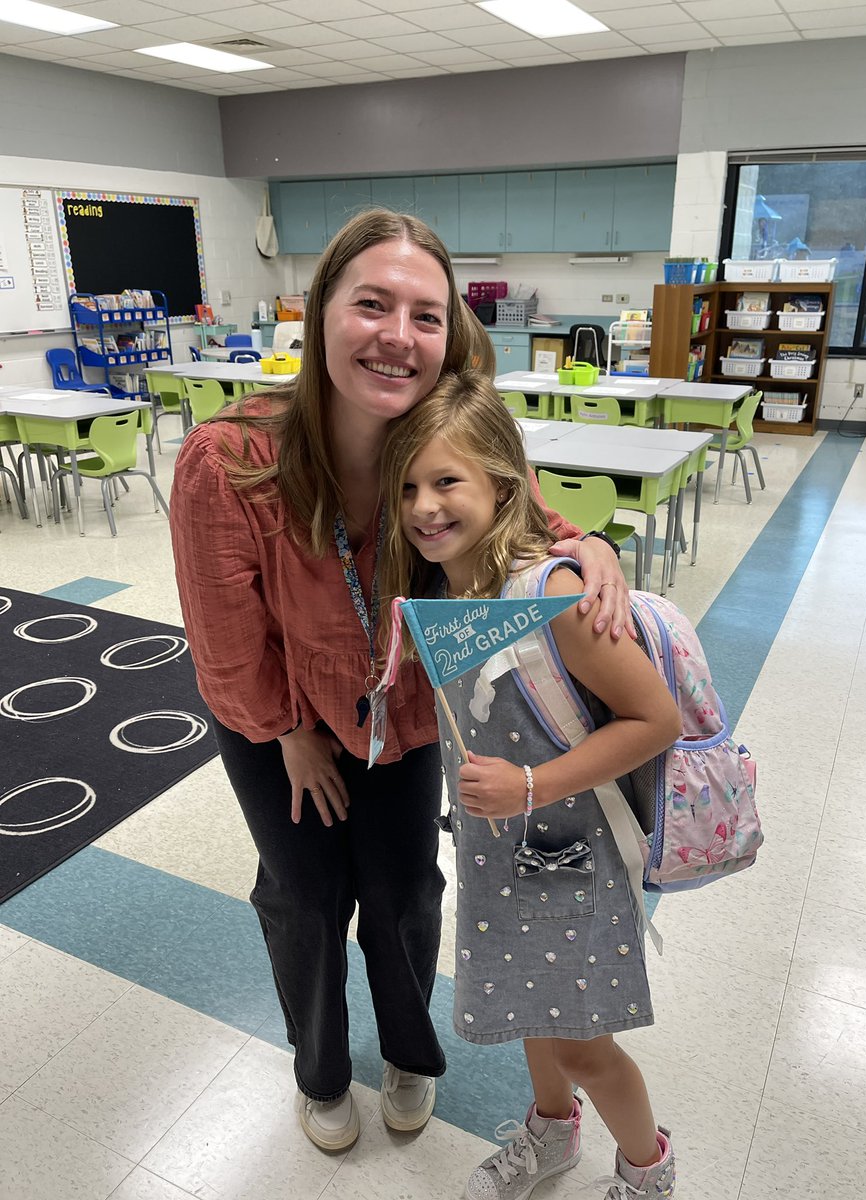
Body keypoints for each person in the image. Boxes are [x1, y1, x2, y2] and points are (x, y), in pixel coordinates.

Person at [169, 209, 630, 1154]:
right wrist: (288, 732)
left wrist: (593, 547)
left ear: (449, 334)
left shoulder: (446, 435)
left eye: (426, 315)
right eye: (371, 304)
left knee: (407, 894)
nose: (397, 335)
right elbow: (225, 645)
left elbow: (536, 525)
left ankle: (411, 1054)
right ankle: (321, 1070)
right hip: (282, 722)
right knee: (302, 896)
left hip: (411, 716)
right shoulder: (231, 460)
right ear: (321, 314)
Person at [380, 370, 681, 1199]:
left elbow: (655, 721)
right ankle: (552, 1131)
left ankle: (649, 1170)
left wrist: (532, 785)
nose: (424, 505)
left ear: (505, 484)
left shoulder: (551, 593)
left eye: (448, 481)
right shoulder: (450, 588)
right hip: (497, 853)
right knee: (527, 1005)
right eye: (408, 486)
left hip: (573, 854)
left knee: (585, 1041)